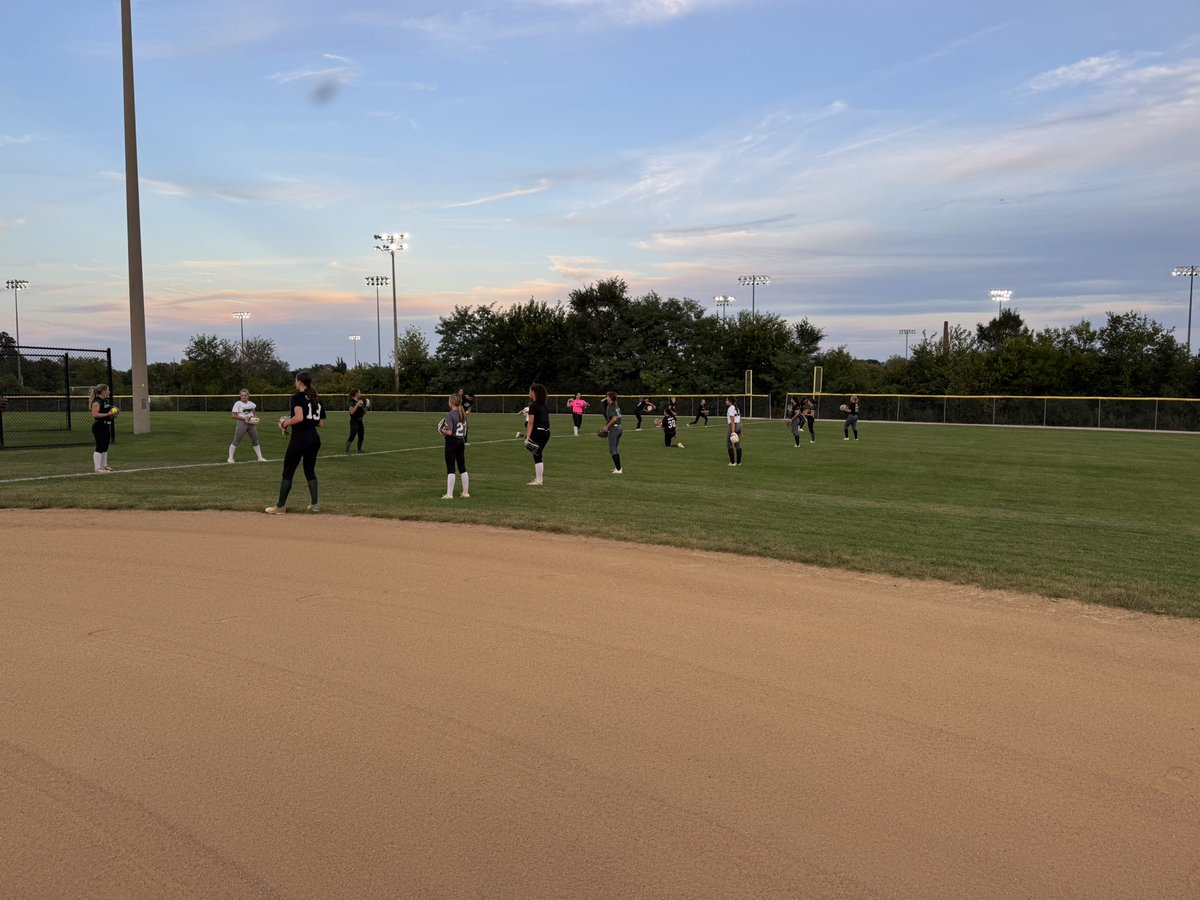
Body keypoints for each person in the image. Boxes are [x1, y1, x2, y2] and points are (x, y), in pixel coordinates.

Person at [265, 371, 326, 514]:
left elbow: (299, 418)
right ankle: (315, 505)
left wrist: (284, 423)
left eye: (295, 380)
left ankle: (280, 507)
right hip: (314, 438)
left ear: (299, 381)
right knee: (309, 471)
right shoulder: (316, 397)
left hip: (300, 438)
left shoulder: (297, 397)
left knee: (288, 472)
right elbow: (321, 423)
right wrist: (296, 420)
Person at [440, 393, 469, 499]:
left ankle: (449, 494)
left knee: (451, 468)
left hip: (452, 442)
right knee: (462, 467)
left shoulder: (450, 415)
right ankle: (465, 493)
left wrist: (441, 430)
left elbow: (449, 432)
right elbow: (465, 431)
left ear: (451, 403)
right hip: (461, 441)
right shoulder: (463, 414)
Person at [228, 388, 268, 463]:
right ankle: (230, 458)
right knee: (236, 440)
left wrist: (255, 417)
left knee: (255, 440)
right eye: (242, 395)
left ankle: (260, 457)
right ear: (240, 396)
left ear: (248, 395)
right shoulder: (238, 403)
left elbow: (254, 413)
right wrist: (244, 418)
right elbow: (233, 415)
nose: (244, 397)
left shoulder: (251, 404)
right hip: (242, 423)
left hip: (251, 423)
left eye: (245, 395)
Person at [524, 383, 550, 485]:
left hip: (538, 432)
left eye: (530, 391)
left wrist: (528, 437)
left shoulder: (533, 405)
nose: (529, 393)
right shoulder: (544, 405)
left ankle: (539, 480)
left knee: (536, 454)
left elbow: (531, 422)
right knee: (538, 453)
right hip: (546, 432)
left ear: (534, 392)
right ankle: (539, 479)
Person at [89, 384, 118, 473]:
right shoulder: (97, 401)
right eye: (107, 390)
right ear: (103, 391)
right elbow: (95, 414)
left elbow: (107, 413)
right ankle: (97, 468)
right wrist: (108, 414)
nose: (109, 392)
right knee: (100, 447)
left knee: (105, 447)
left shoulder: (104, 401)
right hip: (99, 426)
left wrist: (113, 414)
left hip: (105, 426)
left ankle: (103, 466)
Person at [602, 390, 624, 474]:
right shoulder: (616, 405)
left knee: (612, 450)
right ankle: (617, 467)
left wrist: (606, 427)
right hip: (619, 427)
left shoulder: (610, 406)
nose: (606, 398)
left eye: (607, 396)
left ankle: (618, 469)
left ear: (610, 398)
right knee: (615, 449)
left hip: (614, 428)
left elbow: (614, 419)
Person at [345, 388, 367, 454]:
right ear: (356, 393)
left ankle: (359, 450)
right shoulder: (352, 402)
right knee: (352, 436)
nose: (360, 393)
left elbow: (363, 413)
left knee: (361, 437)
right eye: (359, 392)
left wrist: (366, 406)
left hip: (360, 421)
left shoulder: (360, 401)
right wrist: (357, 404)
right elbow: (351, 412)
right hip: (354, 421)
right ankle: (346, 451)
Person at [726, 396, 743, 466]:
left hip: (733, 426)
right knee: (737, 444)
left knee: (729, 444)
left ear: (730, 401)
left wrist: (733, 432)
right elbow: (740, 419)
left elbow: (732, 420)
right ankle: (739, 462)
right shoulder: (737, 408)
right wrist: (741, 430)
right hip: (738, 426)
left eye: (727, 400)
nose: (726, 401)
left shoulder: (730, 408)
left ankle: (732, 462)